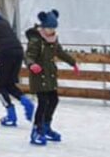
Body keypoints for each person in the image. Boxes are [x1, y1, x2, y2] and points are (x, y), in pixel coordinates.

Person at [24, 9, 77, 147]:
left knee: (53, 99)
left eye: (53, 28)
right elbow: (28, 56)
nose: (51, 31)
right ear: (43, 27)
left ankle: (46, 126)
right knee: (43, 102)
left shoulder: (53, 39)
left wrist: (73, 62)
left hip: (50, 75)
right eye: (49, 28)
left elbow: (59, 52)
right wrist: (32, 64)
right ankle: (37, 129)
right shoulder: (36, 40)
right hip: (39, 75)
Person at [0, 4, 33, 127]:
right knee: (9, 84)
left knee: (0, 85)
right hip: (18, 51)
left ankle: (11, 114)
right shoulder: (3, 21)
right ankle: (25, 101)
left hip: (4, 52)